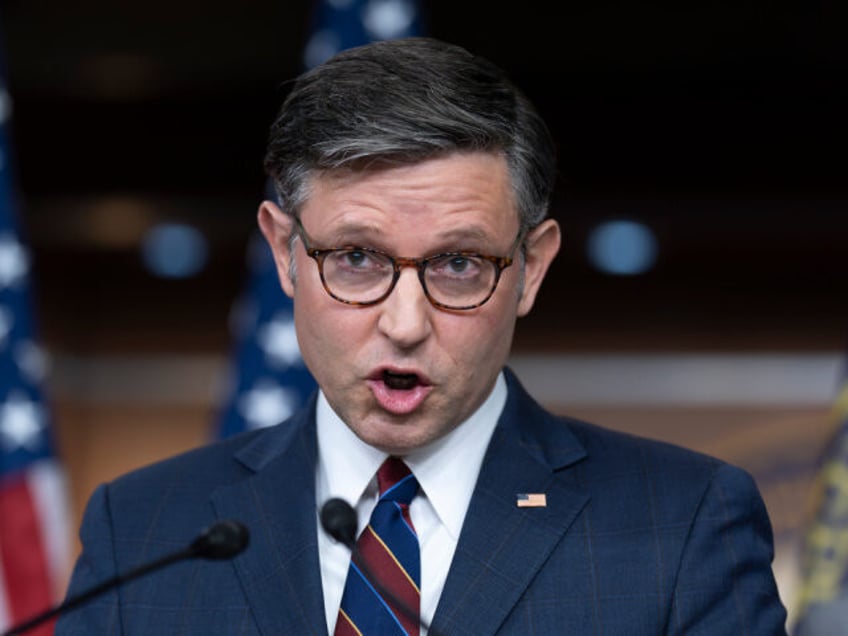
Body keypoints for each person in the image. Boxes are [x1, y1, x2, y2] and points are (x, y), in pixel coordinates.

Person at [56, 37, 787, 635]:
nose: (404, 325)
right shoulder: (147, 528)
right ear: (284, 252)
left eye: (460, 264)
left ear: (531, 268)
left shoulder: (685, 523)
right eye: (356, 258)